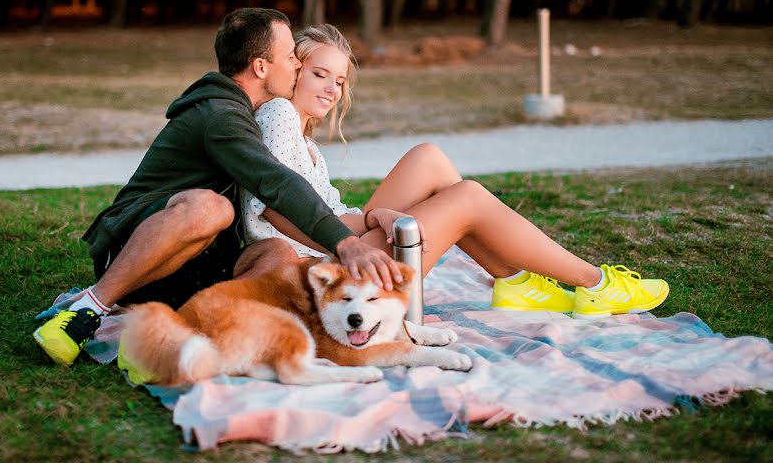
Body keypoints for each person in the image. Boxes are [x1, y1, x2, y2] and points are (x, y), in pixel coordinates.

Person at [33, 9, 403, 367]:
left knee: (275, 254)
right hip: (135, 250)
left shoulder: (244, 112)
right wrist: (345, 242)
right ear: (261, 67)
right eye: (290, 55)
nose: (296, 64)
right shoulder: (220, 115)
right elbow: (275, 182)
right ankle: (88, 310)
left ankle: (186, 336)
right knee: (212, 208)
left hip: (195, 262)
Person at [240, 24, 670, 318]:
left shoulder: (304, 138)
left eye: (339, 81)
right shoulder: (278, 112)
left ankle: (515, 280)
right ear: (293, 70)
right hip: (327, 276)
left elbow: (311, 205)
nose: (332, 90)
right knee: (468, 199)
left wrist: (372, 219)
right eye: (319, 74)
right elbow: (279, 209)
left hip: (336, 250)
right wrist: (368, 225)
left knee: (427, 157)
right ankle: (595, 284)